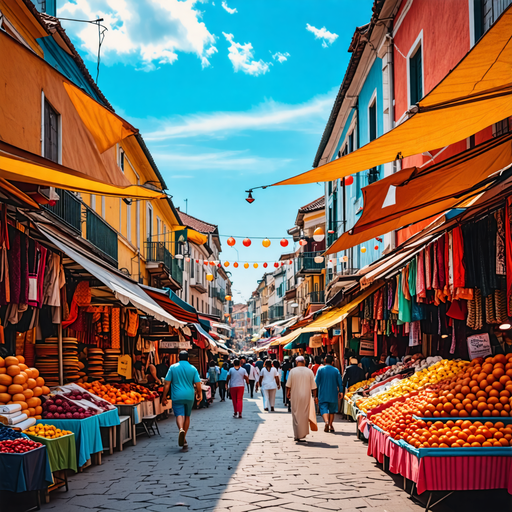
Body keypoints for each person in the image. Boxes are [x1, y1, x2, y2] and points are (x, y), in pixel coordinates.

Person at [161, 351, 202, 449]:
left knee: (179, 414)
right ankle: (184, 438)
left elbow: (167, 383)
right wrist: (199, 394)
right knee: (187, 416)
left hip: (177, 395)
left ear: (178, 358)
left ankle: (181, 429)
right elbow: (198, 383)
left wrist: (164, 397)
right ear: (188, 358)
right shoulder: (193, 368)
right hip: (189, 396)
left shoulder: (173, 367)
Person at [286, 355, 317, 442]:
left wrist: (288, 393)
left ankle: (297, 435)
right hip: (306, 395)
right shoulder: (309, 371)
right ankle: (302, 434)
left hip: (295, 395)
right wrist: (315, 396)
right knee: (304, 414)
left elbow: (288, 385)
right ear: (304, 362)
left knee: (296, 414)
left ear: (296, 362)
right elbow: (314, 386)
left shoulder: (292, 371)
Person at [315, 355, 343, 433]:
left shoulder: (320, 370)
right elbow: (340, 382)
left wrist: (315, 395)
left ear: (324, 360)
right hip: (333, 394)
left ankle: (326, 422)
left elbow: (316, 383)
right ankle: (330, 425)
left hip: (323, 394)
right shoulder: (336, 370)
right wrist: (341, 391)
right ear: (332, 362)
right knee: (332, 410)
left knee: (323, 408)